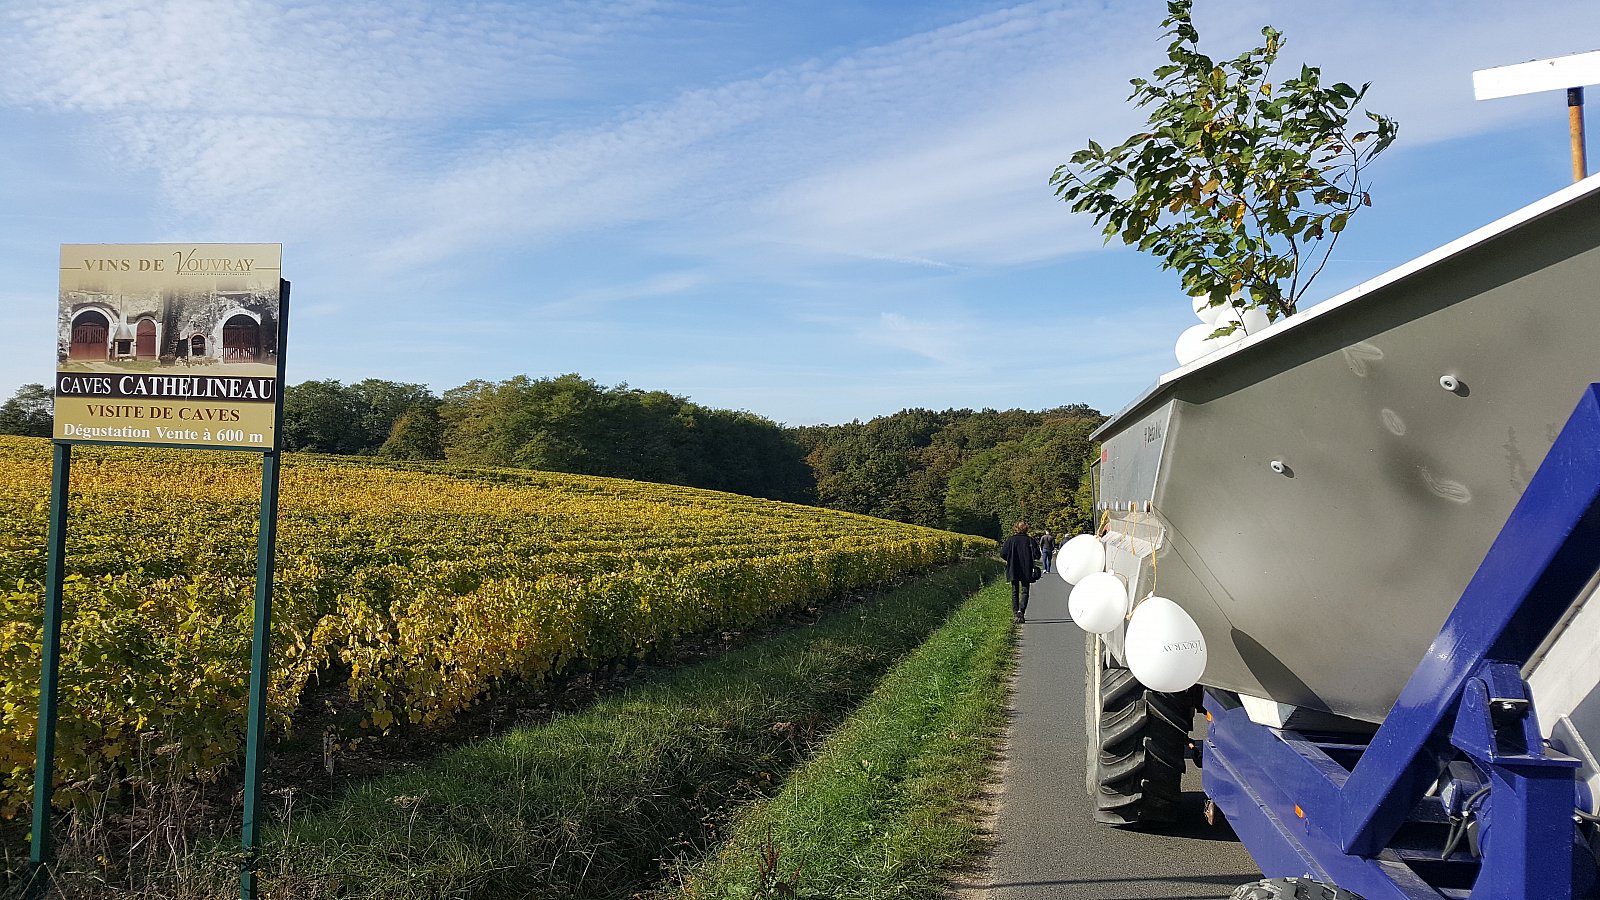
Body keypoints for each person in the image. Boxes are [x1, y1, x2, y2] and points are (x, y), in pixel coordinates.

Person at [1000, 521, 1040, 624]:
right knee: (1025, 591)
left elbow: (1003, 553)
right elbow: (1037, 555)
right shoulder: (1030, 540)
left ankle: (1015, 612)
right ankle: (1021, 611)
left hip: (1014, 568)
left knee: (1015, 591)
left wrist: (1010, 559)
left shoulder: (1011, 540)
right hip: (1027, 568)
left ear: (1015, 529)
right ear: (1026, 529)